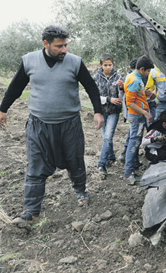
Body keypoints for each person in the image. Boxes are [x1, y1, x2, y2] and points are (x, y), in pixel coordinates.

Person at [0, 25, 104, 224]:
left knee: (75, 161)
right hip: (39, 125)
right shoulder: (29, 61)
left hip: (69, 124)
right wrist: (3, 109)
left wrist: (98, 111)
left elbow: (91, 87)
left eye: (66, 45)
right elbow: (16, 87)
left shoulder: (75, 62)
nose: (64, 50)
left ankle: (81, 192)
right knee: (35, 166)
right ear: (45, 44)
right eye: (59, 46)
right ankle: (31, 211)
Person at [123, 55, 154, 185]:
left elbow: (136, 96)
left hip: (138, 115)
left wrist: (145, 93)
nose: (148, 74)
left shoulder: (137, 78)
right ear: (142, 69)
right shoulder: (134, 80)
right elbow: (130, 103)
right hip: (136, 116)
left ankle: (132, 167)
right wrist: (145, 113)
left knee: (134, 140)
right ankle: (128, 172)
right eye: (148, 71)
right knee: (134, 143)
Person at [93, 54, 124, 178]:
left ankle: (101, 164)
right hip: (100, 112)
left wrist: (121, 88)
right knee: (106, 137)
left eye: (110, 65)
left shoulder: (118, 77)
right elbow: (94, 96)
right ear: (101, 65)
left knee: (107, 137)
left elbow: (121, 98)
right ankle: (111, 156)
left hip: (113, 112)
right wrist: (108, 99)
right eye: (105, 65)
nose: (108, 67)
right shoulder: (96, 77)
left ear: (113, 64)